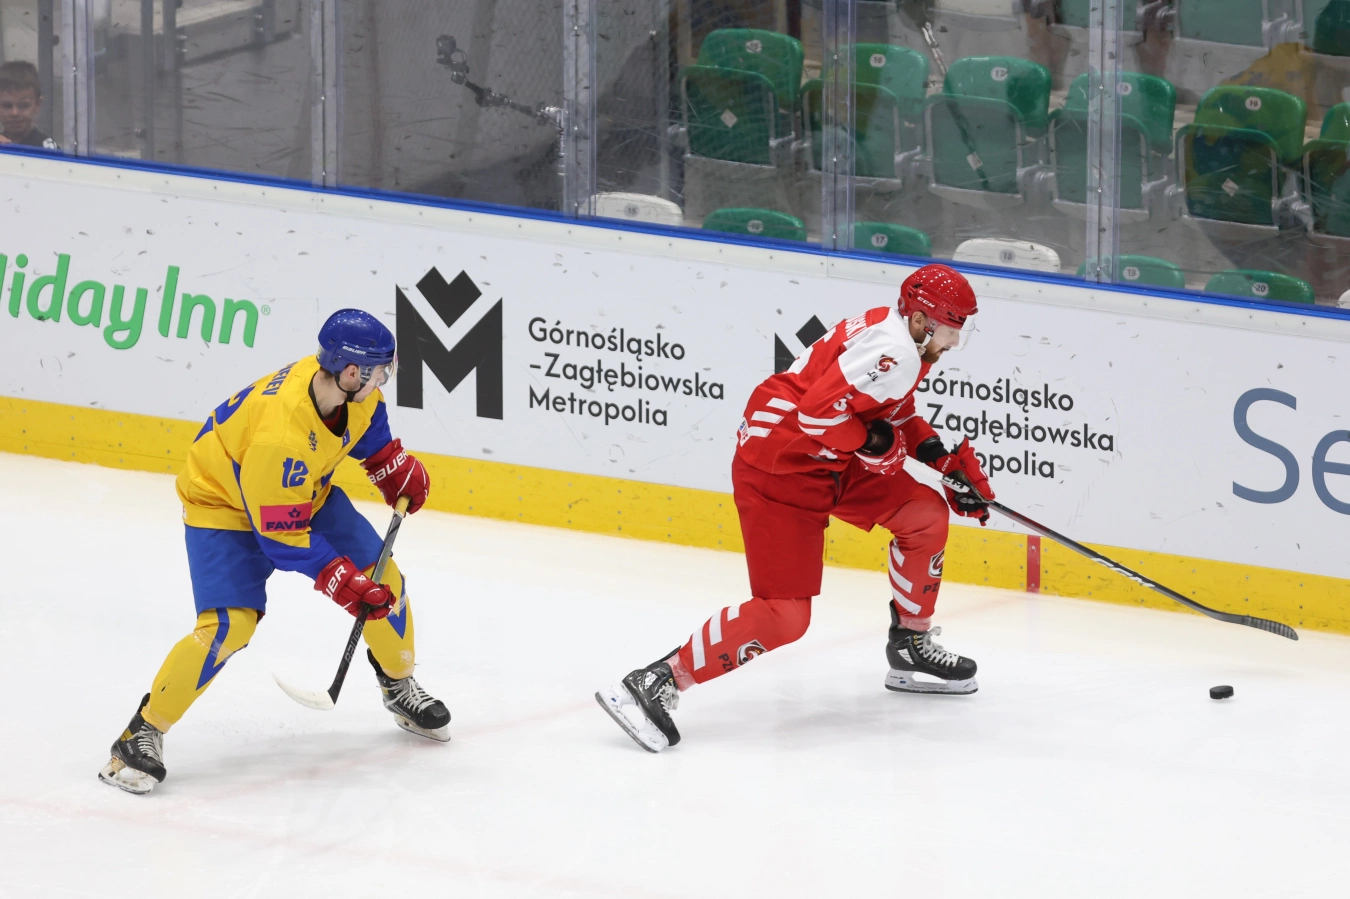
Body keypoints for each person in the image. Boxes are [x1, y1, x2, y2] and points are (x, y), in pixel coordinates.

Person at [597, 264, 995, 752]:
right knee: (785, 615)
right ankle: (658, 679)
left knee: (925, 514)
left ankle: (910, 644)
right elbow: (815, 414)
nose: (955, 341)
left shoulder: (898, 335)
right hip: (781, 464)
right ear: (920, 320)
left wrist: (939, 459)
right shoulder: (892, 351)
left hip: (827, 457)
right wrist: (875, 445)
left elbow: (892, 412)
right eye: (952, 328)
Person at [99, 309, 448, 795]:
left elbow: (368, 434)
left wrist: (389, 464)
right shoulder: (280, 435)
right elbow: (282, 538)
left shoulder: (350, 393)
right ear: (351, 372)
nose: (383, 380)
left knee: (384, 578)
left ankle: (398, 684)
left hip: (301, 493)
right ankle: (140, 734)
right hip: (223, 508)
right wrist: (340, 580)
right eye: (379, 372)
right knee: (228, 625)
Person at [0, 61, 58, 150]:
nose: (14, 113)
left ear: (37, 104)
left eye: (23, 105)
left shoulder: (46, 148)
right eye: (7, 106)